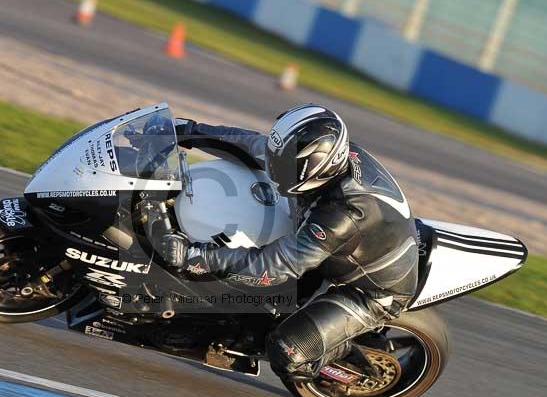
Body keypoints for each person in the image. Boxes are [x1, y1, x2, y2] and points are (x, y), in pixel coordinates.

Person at [161, 104, 419, 382]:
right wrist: (188, 132)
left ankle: (337, 357)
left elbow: (277, 266)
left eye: (283, 167)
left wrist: (197, 256)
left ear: (316, 170)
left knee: (286, 353)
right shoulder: (324, 156)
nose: (274, 168)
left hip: (368, 291)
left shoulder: (341, 215)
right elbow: (253, 146)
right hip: (347, 245)